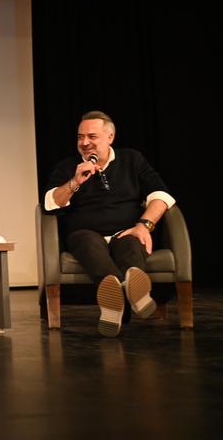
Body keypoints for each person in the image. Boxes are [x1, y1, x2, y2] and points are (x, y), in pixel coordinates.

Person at [43, 110, 176, 337]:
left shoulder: (132, 160)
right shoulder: (67, 167)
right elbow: (50, 203)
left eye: (92, 136)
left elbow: (160, 195)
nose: (84, 142)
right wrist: (75, 182)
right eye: (80, 137)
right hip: (85, 233)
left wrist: (144, 225)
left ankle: (118, 301)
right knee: (87, 241)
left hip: (126, 231)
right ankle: (132, 297)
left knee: (132, 242)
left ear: (110, 137)